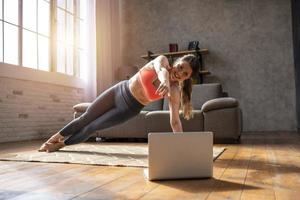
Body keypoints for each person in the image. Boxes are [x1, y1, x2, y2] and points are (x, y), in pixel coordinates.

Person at [39, 54, 200, 152]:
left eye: (185, 74)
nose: (179, 73)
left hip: (128, 108)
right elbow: (161, 71)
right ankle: (53, 138)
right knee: (86, 117)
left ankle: (60, 145)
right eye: (180, 67)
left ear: (188, 78)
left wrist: (181, 145)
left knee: (92, 127)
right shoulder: (162, 61)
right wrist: (164, 80)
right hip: (118, 90)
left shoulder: (175, 91)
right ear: (177, 62)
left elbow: (175, 121)